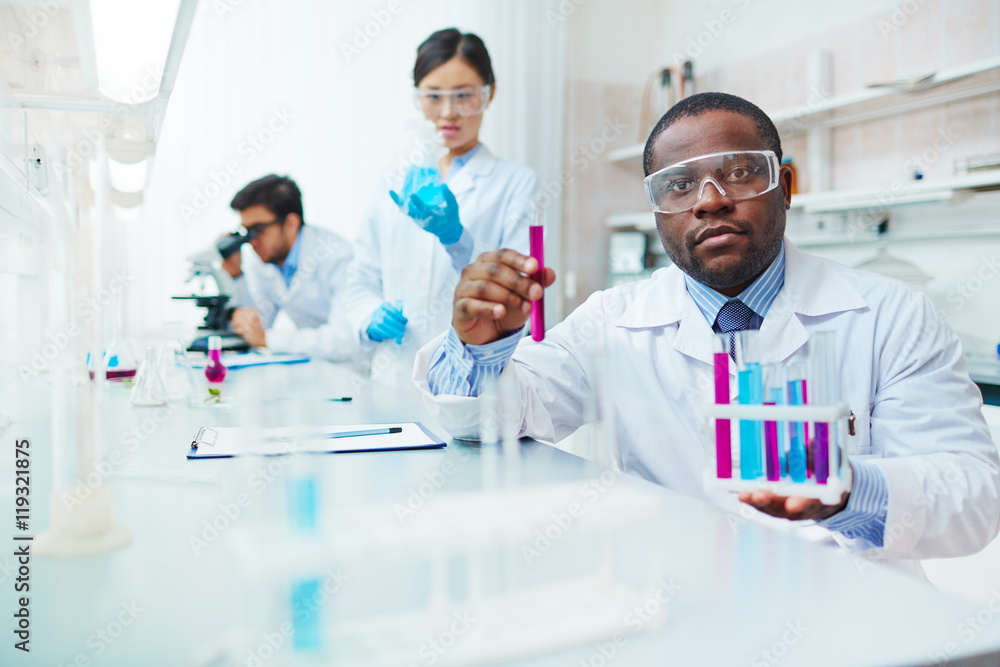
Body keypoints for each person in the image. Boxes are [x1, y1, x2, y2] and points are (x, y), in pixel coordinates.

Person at [414, 92, 1000, 573]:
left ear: (786, 187)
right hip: (676, 605)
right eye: (678, 185)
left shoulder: (892, 315)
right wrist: (482, 348)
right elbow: (492, 421)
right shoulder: (610, 321)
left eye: (740, 173)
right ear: (658, 210)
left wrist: (845, 491)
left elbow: (973, 499)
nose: (710, 201)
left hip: (851, 610)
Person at [342, 28, 536, 381]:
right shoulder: (391, 181)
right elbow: (359, 278)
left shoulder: (516, 182)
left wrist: (456, 237)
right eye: (433, 96)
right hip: (394, 374)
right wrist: (369, 317)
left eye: (464, 95)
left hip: (474, 375)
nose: (448, 112)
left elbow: (517, 287)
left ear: (489, 94)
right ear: (417, 98)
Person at [222, 174, 356, 360]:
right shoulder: (265, 259)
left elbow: (344, 340)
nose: (251, 241)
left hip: (349, 372)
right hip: (314, 367)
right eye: (246, 232)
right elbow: (256, 325)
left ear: (291, 223)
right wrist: (236, 275)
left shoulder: (338, 257)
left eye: (258, 229)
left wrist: (269, 340)